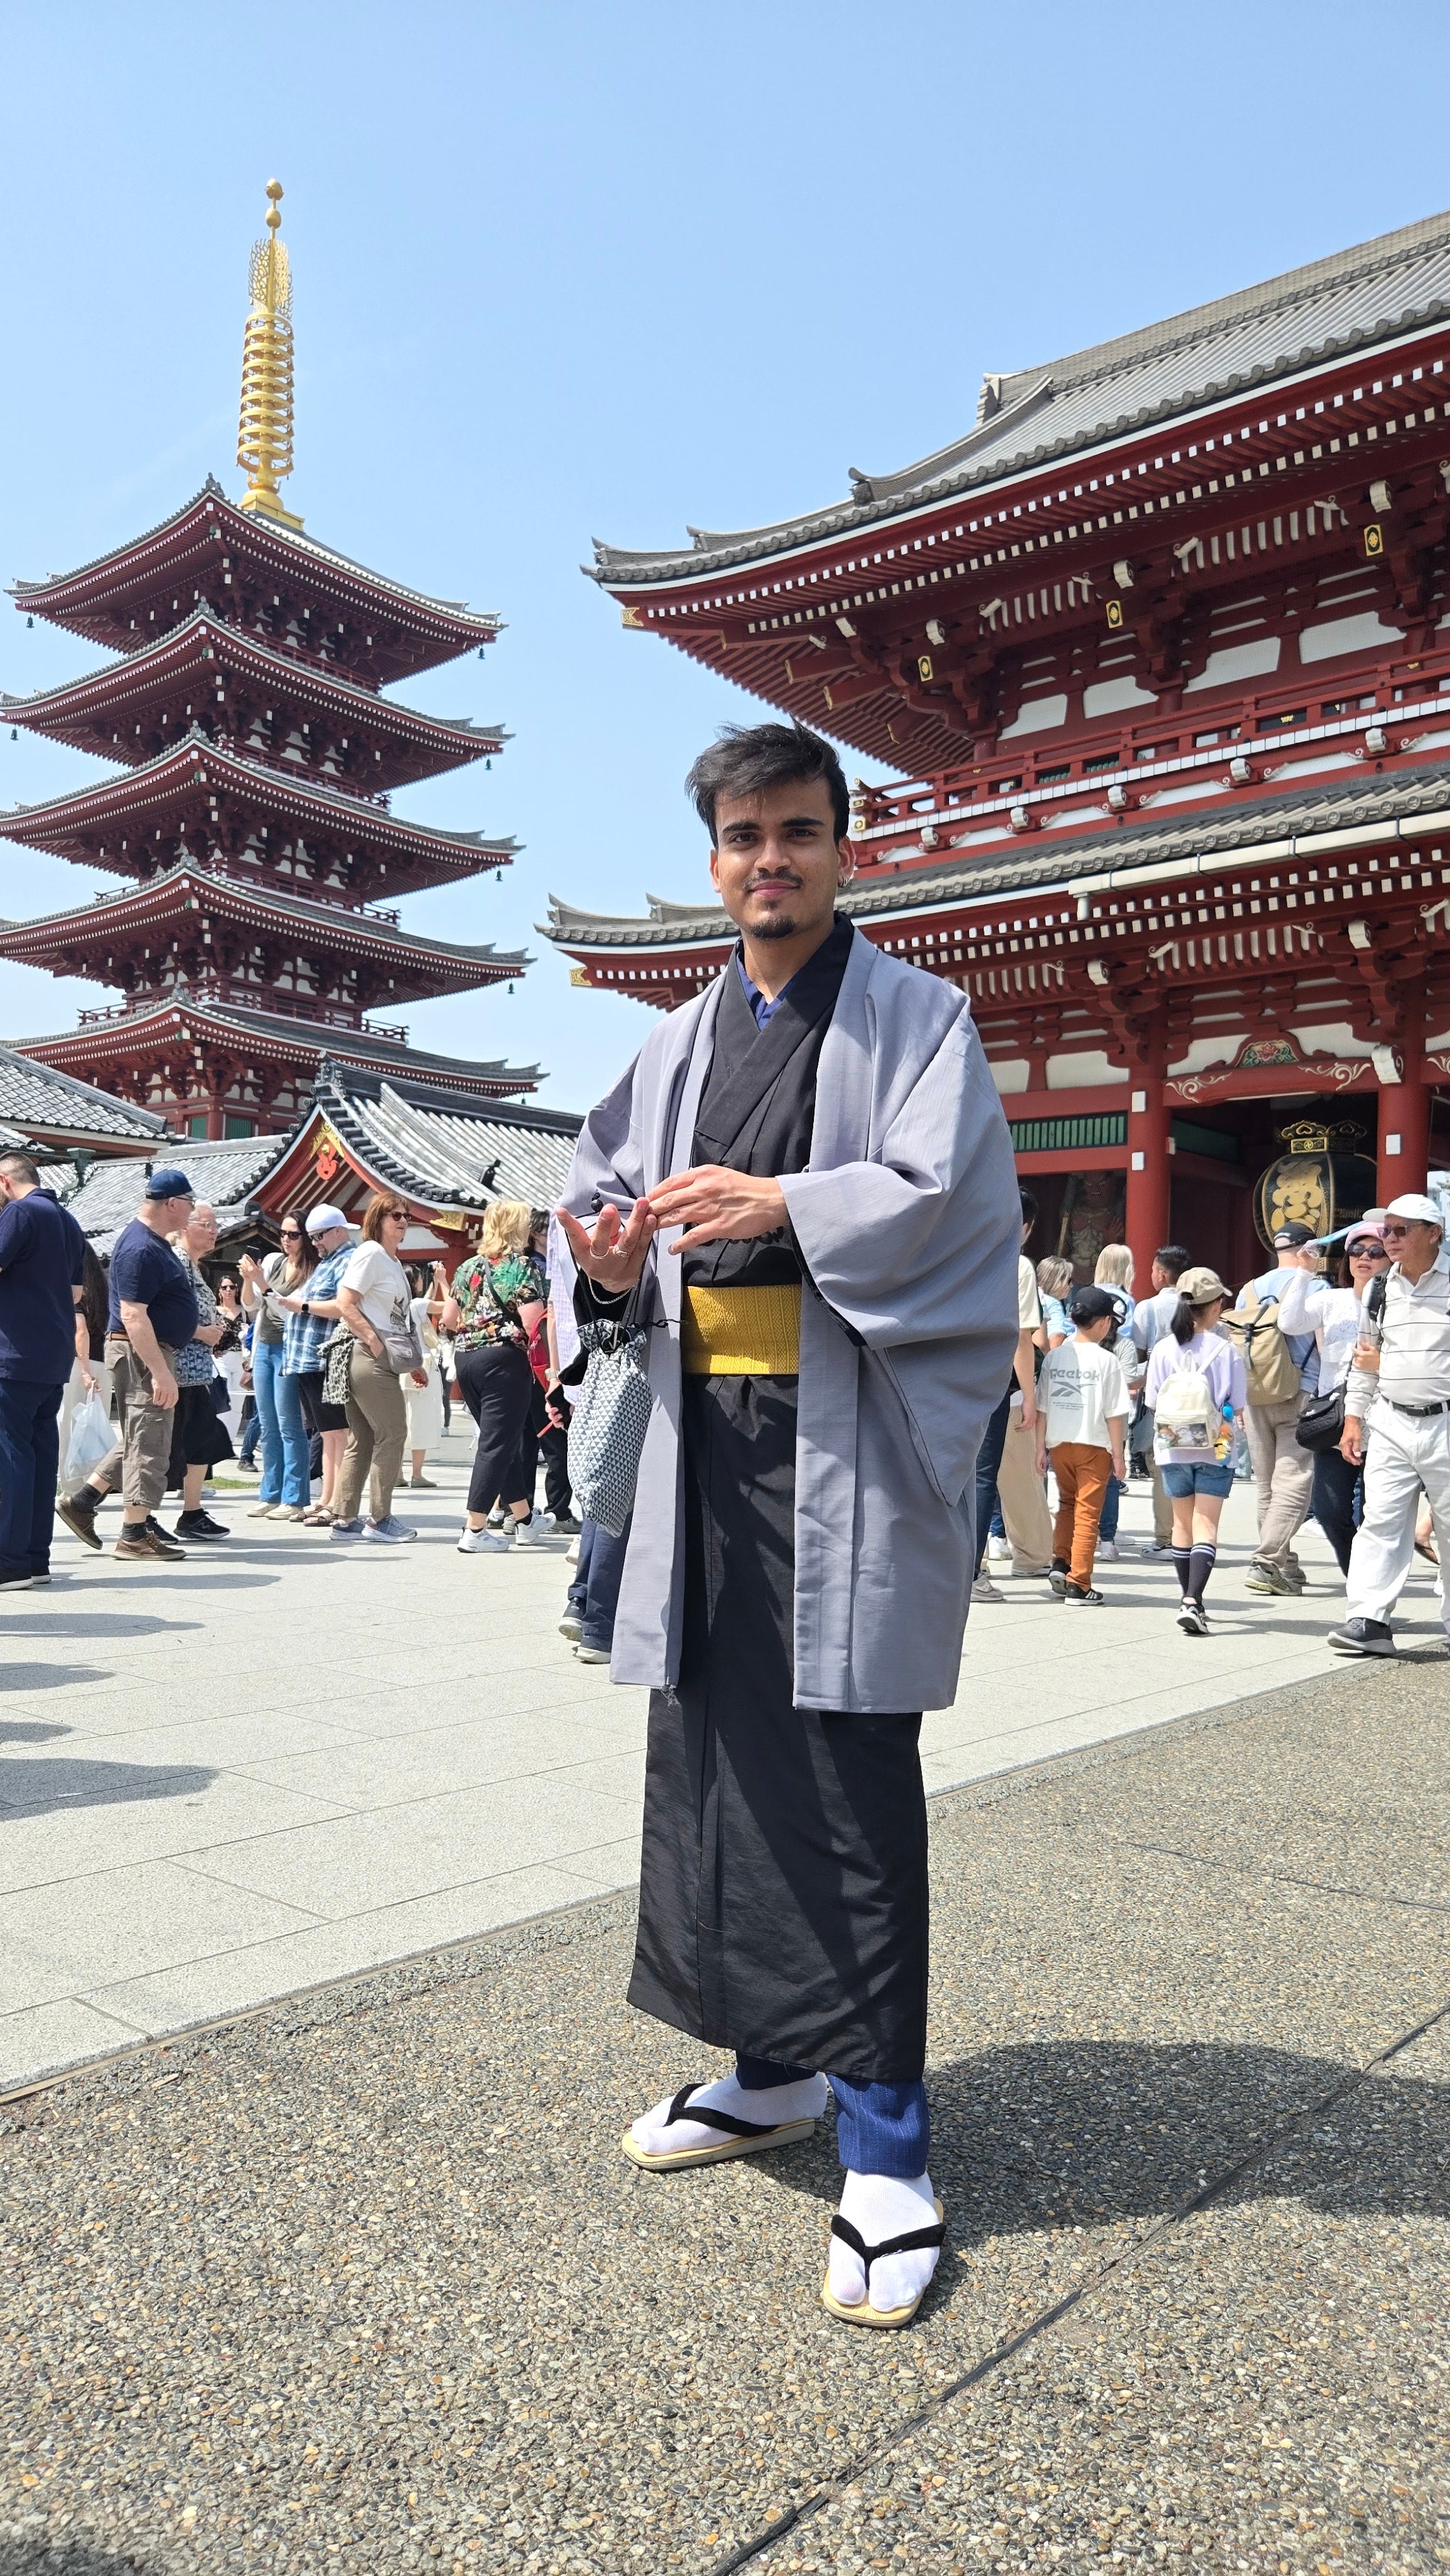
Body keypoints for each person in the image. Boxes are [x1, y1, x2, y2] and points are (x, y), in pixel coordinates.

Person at [559, 719, 1018, 2331]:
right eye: (745, 835)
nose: (772, 860)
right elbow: (594, 1204)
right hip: (704, 1449)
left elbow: (953, 1206)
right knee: (712, 1762)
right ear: (713, 860)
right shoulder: (675, 1040)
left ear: (844, 846)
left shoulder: (917, 1018)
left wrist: (786, 1203)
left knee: (841, 1775)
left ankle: (885, 2141)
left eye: (799, 832)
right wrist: (609, 1261)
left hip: (842, 1443)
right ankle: (766, 2069)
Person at [1329, 1193, 1450, 1656]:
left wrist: (1390, 1359)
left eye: (1402, 1231)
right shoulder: (1380, 1290)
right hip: (1392, 1420)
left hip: (1445, 1419)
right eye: (1387, 1231)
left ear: (1433, 1233)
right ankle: (1368, 1620)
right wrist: (1353, 1419)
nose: (1389, 1240)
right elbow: (1364, 1364)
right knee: (1379, 1522)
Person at [59, 1167, 198, 1563]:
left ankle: (83, 1502)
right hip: (141, 1351)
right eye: (188, 1203)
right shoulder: (141, 1247)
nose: (190, 1211)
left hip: (144, 1349)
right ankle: (134, 1533)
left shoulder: (152, 1242)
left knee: (140, 1434)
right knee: (150, 1441)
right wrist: (160, 1371)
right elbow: (133, 1315)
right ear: (172, 1203)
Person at [1275, 1221, 1390, 1575]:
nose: (1364, 1258)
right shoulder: (1331, 1300)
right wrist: (1303, 1273)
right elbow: (1289, 1323)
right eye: (1356, 1250)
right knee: (1328, 1510)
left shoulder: (1398, 1305)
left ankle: (1371, 1591)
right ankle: (1359, 1575)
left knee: (1377, 1514)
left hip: (1383, 1419)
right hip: (1335, 1419)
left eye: (1375, 1252)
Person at [442, 1202, 554, 1555]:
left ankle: (524, 1520)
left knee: (498, 1439)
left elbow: (448, 1319)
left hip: (467, 1358)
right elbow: (534, 1321)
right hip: (504, 1359)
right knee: (497, 1443)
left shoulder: (467, 1267)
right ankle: (474, 1528)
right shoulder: (521, 1267)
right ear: (517, 1230)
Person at [1144, 1266, 1248, 1637]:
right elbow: (1235, 1406)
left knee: (1181, 1525)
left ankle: (1188, 1599)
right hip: (1215, 1443)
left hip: (1172, 1444)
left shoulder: (1163, 1349)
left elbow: (1153, 1400)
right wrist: (1226, 1436)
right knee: (1207, 1525)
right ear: (1217, 1304)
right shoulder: (1226, 1350)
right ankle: (1193, 1600)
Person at [0, 1151, 86, 1591]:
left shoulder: (19, 1212)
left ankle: (10, 1562)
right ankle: (36, 1559)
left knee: (11, 1453)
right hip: (54, 1352)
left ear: (4, 1180)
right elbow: (76, 1290)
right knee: (38, 1452)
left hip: (14, 1351)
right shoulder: (67, 1220)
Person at [971, 1189, 1050, 1604]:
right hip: (995, 1381)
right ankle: (972, 1571)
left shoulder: (966, 1251)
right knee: (984, 1476)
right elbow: (1021, 1339)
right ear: (1026, 1228)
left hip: (950, 1374)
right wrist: (1032, 1399)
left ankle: (952, 1564)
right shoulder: (1017, 1266)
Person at [1231, 1220, 1317, 1596]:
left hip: (1254, 1394)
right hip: (1299, 1389)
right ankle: (1267, 1562)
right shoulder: (1314, 1285)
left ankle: (1285, 1562)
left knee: (1267, 1485)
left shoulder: (1248, 1290)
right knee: (1294, 1479)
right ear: (1307, 1248)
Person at [330, 1195, 418, 1543]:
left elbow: (397, 1317)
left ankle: (344, 1518)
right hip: (368, 1356)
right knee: (393, 1434)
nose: (403, 1220)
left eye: (406, 1216)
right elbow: (344, 1301)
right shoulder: (370, 1253)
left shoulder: (392, 1260)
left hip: (380, 1357)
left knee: (364, 1439)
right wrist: (371, 1338)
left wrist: (411, 1361)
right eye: (395, 1215)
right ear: (377, 1219)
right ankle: (380, 1519)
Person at [1035, 1283, 1129, 1605]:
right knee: (1089, 1514)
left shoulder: (1054, 1357)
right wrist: (1119, 1455)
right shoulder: (1107, 1361)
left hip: (1059, 1444)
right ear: (1104, 1322)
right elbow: (1115, 1414)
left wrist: (1039, 1449)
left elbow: (1042, 1406)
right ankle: (1079, 1582)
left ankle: (1060, 1562)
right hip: (1094, 1445)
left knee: (1067, 1505)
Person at [273, 1209, 354, 1526]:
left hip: (324, 1357)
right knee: (327, 1432)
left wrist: (302, 1305)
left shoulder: (348, 1261)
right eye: (312, 1237)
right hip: (307, 1359)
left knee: (337, 1432)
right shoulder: (329, 1262)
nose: (314, 1243)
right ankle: (326, 1499)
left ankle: (337, 1502)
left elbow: (343, 1307)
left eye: (318, 1236)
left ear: (337, 1231)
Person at [163, 1202, 235, 1540]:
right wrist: (203, 1332)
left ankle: (191, 1513)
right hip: (178, 1371)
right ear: (186, 1226)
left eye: (215, 1225)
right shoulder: (177, 1261)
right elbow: (169, 1314)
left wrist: (213, 1332)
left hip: (197, 1372)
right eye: (207, 1224)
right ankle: (91, 1495)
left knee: (203, 1439)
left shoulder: (195, 1266)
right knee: (160, 1445)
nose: (214, 1231)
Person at [238, 1221, 310, 1520]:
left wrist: (263, 1283)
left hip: (290, 1347)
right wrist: (248, 1279)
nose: (286, 1239)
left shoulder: (311, 1272)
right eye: (283, 1234)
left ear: (306, 1237)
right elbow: (251, 1304)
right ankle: (271, 1493)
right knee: (267, 1423)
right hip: (265, 1346)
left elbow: (287, 1309)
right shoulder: (272, 1261)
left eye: (293, 1235)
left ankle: (294, 1498)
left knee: (289, 1424)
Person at [1131, 1244, 1189, 1557]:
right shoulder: (1195, 1305)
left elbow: (1139, 1349)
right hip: (1196, 1394)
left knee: (1161, 1466)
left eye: (1154, 1269)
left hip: (1161, 1393)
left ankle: (1166, 1537)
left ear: (1163, 1274)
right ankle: (1192, 1535)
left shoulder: (1148, 1308)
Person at [1091, 1243, 1142, 1560]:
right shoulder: (1126, 1301)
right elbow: (1131, 1341)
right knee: (1111, 1468)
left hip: (1086, 1392)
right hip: (1115, 1394)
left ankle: (1089, 1531)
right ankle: (1107, 1534)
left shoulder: (1086, 1294)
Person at [57, 1239, 111, 1498]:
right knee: (94, 1429)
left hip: (80, 1364)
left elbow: (80, 1331)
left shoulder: (76, 1292)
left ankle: (69, 1486)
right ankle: (92, 1485)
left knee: (68, 1426)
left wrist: (84, 1369)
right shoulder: (105, 1289)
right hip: (104, 1365)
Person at [404, 1262, 449, 1488]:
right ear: (414, 1282)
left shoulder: (400, 1303)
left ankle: (396, 1474)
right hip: (422, 1365)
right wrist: (442, 1280)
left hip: (400, 1366)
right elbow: (449, 1307)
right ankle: (417, 1474)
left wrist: (433, 1284)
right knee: (420, 1420)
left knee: (402, 1420)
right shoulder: (420, 1304)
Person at [1035, 1256, 1073, 1348]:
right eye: (1068, 1281)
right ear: (1055, 1281)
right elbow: (1057, 1337)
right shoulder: (1053, 1304)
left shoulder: (1034, 1296)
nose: (1071, 1285)